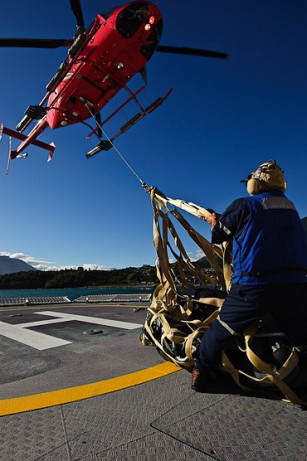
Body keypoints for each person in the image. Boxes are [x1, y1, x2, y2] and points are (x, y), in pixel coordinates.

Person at [192, 159, 307, 391]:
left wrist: (215, 220)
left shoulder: (244, 205)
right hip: (294, 286)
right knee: (301, 336)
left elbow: (219, 236)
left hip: (254, 286)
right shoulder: (292, 208)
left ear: (255, 182)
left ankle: (201, 373)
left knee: (219, 330)